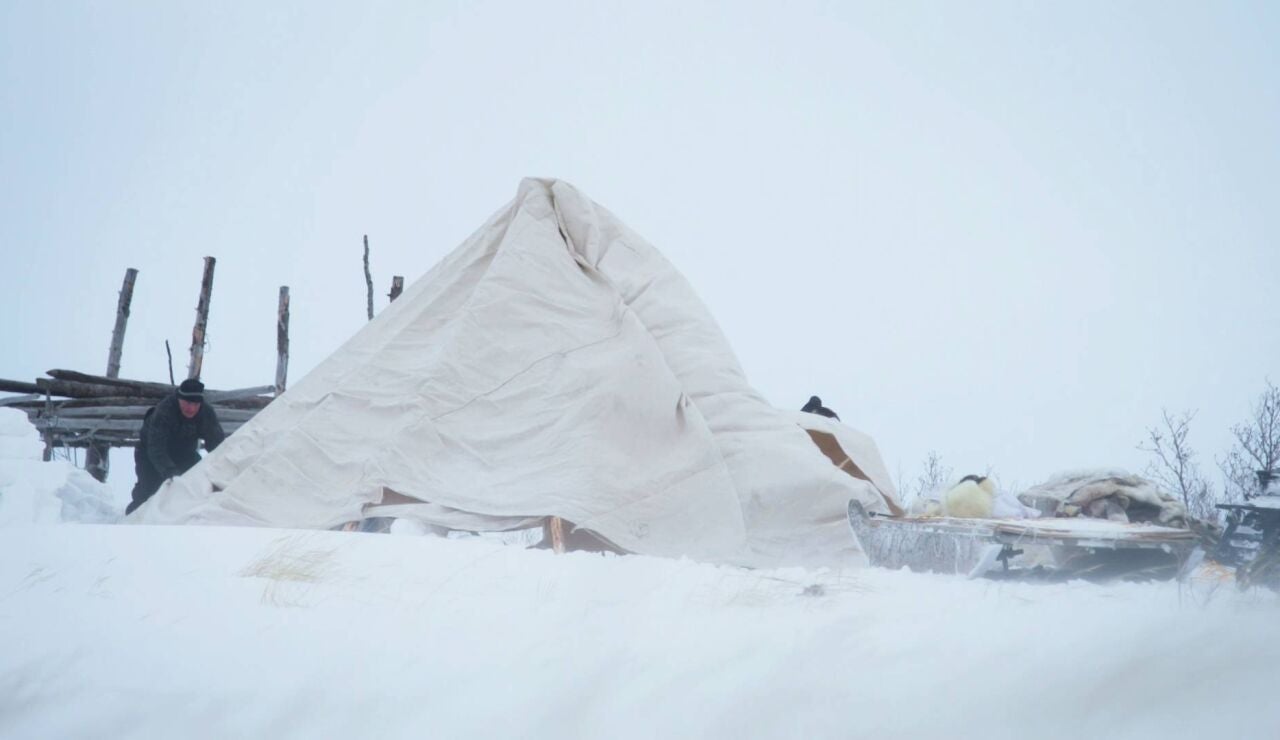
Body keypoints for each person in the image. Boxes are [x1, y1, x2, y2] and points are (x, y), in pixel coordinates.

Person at [125, 378, 226, 515]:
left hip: (185, 454)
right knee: (151, 492)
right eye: (188, 403)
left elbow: (217, 444)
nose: (191, 408)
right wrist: (170, 472)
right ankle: (130, 522)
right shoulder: (164, 411)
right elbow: (156, 448)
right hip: (149, 453)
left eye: (196, 404)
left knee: (196, 486)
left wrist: (221, 467)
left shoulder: (205, 413)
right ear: (179, 399)